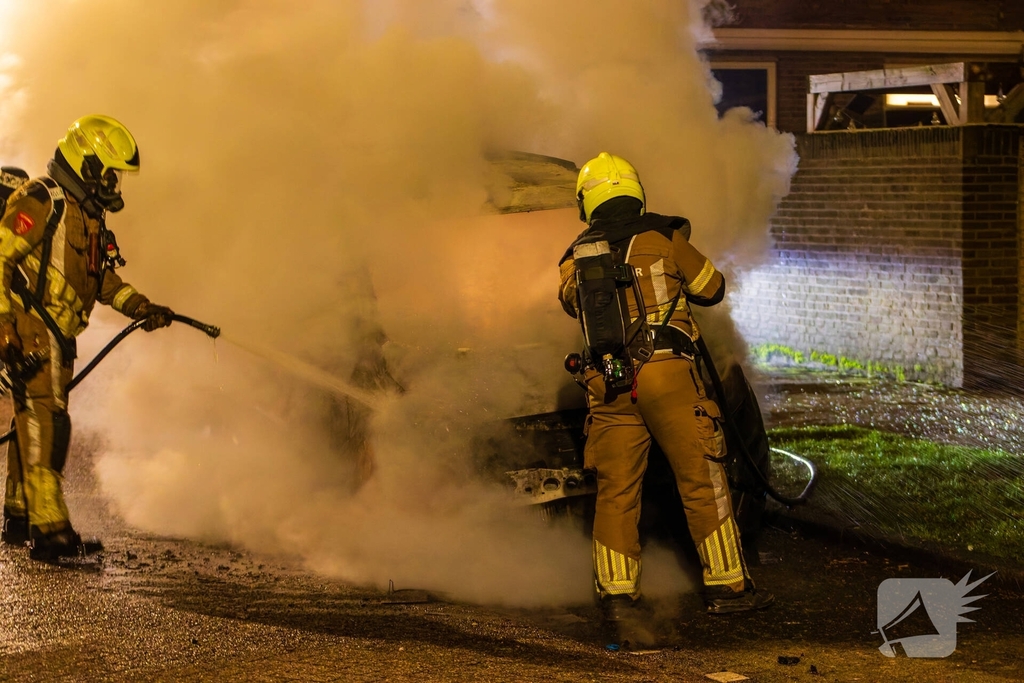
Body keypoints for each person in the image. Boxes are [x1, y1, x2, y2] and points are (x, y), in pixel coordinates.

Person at [558, 152, 774, 616]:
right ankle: (728, 587)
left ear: (587, 202)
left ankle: (617, 594)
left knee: (616, 491)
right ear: (634, 193)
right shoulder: (664, 238)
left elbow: (569, 303)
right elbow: (711, 288)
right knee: (702, 480)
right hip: (667, 376)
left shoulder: (575, 255)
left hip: (607, 384)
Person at [0, 115, 174, 562]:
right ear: (87, 163)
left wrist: (141, 305)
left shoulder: (87, 217)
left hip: (59, 334)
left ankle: (20, 516)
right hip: (31, 328)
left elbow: (100, 279)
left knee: (32, 421)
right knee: (47, 425)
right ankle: (50, 531)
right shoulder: (41, 198)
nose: (115, 183)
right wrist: (4, 329)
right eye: (110, 172)